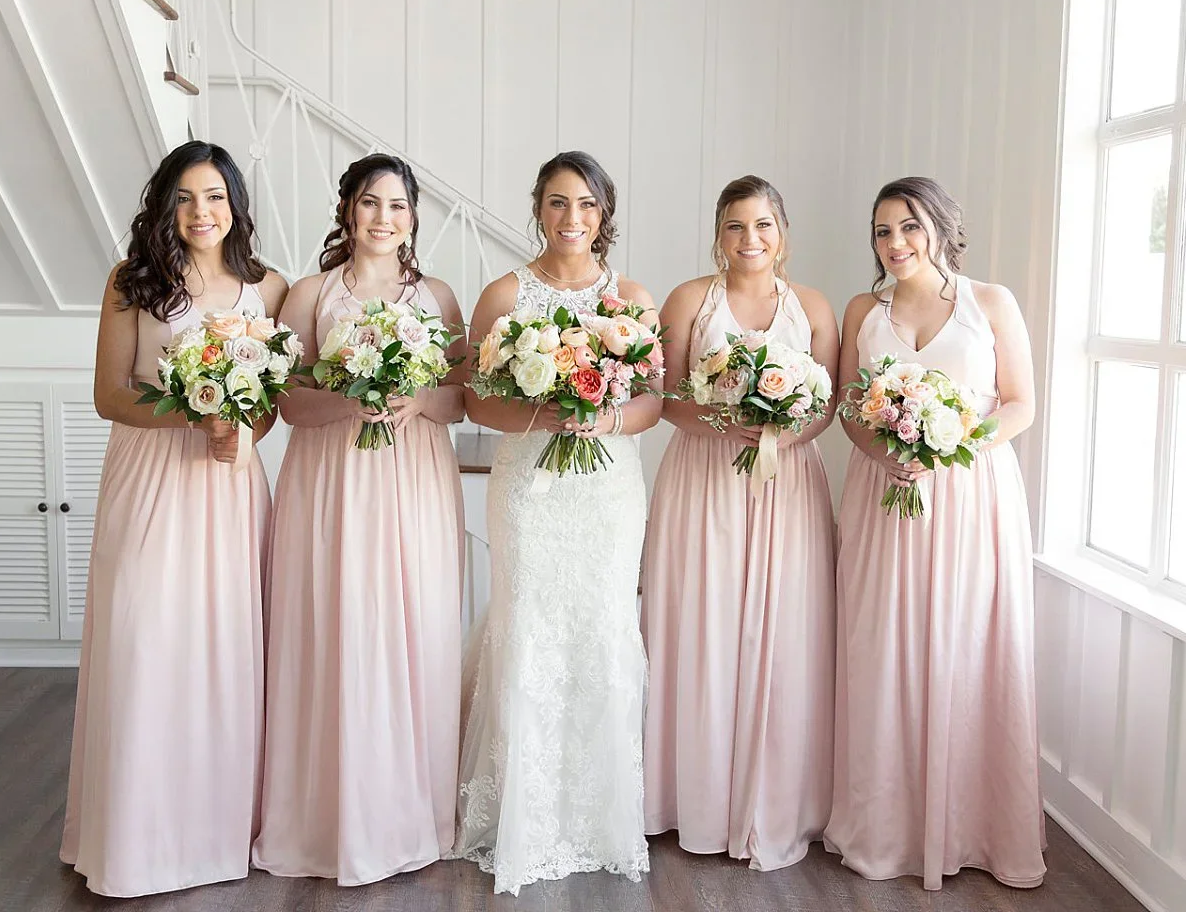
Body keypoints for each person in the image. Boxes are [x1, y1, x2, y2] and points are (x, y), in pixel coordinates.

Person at [61, 141, 288, 897]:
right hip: (150, 480)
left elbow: (273, 405)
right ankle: (132, 839)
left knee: (219, 648)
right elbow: (111, 394)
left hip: (229, 488)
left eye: (216, 197)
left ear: (235, 206)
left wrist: (242, 425)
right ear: (165, 205)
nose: (201, 213)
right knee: (144, 643)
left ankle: (213, 832)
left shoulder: (268, 288)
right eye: (186, 198)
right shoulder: (132, 283)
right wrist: (196, 411)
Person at [250, 154, 467, 885]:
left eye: (397, 206)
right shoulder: (309, 294)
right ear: (347, 210)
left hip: (413, 480)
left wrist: (416, 400)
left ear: (412, 217)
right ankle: (324, 816)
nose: (383, 218)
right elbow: (287, 403)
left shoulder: (437, 297)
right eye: (370, 203)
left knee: (413, 628)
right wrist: (350, 399)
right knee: (332, 626)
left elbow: (461, 394)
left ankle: (411, 812)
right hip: (331, 480)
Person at [825, 176, 1045, 890]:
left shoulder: (991, 304)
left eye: (908, 228)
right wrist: (892, 454)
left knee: (968, 649)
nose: (895, 245)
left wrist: (949, 444)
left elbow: (1020, 404)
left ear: (942, 227)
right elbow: (854, 410)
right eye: (883, 232)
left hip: (971, 496)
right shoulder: (865, 309)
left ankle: (976, 829)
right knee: (883, 647)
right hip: (883, 494)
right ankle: (886, 830)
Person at [455, 151, 661, 895]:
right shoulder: (506, 293)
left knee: (603, 626)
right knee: (532, 625)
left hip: (606, 490)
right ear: (538, 209)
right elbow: (476, 400)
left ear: (604, 214)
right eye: (557, 203)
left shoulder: (631, 297)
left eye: (587, 205)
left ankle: (601, 816)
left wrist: (603, 414)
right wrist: (544, 410)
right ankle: (526, 817)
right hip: (531, 489)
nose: (572, 218)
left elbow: (653, 400)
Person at [641, 175, 840, 870]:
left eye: (762, 225)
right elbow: (663, 396)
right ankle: (684, 795)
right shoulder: (690, 301)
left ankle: (776, 797)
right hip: (703, 479)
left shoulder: (812, 306)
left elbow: (826, 403)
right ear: (717, 233)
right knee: (700, 624)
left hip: (786, 484)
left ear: (782, 231)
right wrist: (728, 421)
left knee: (782, 631)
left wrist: (778, 431)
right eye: (734, 226)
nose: (749, 239)